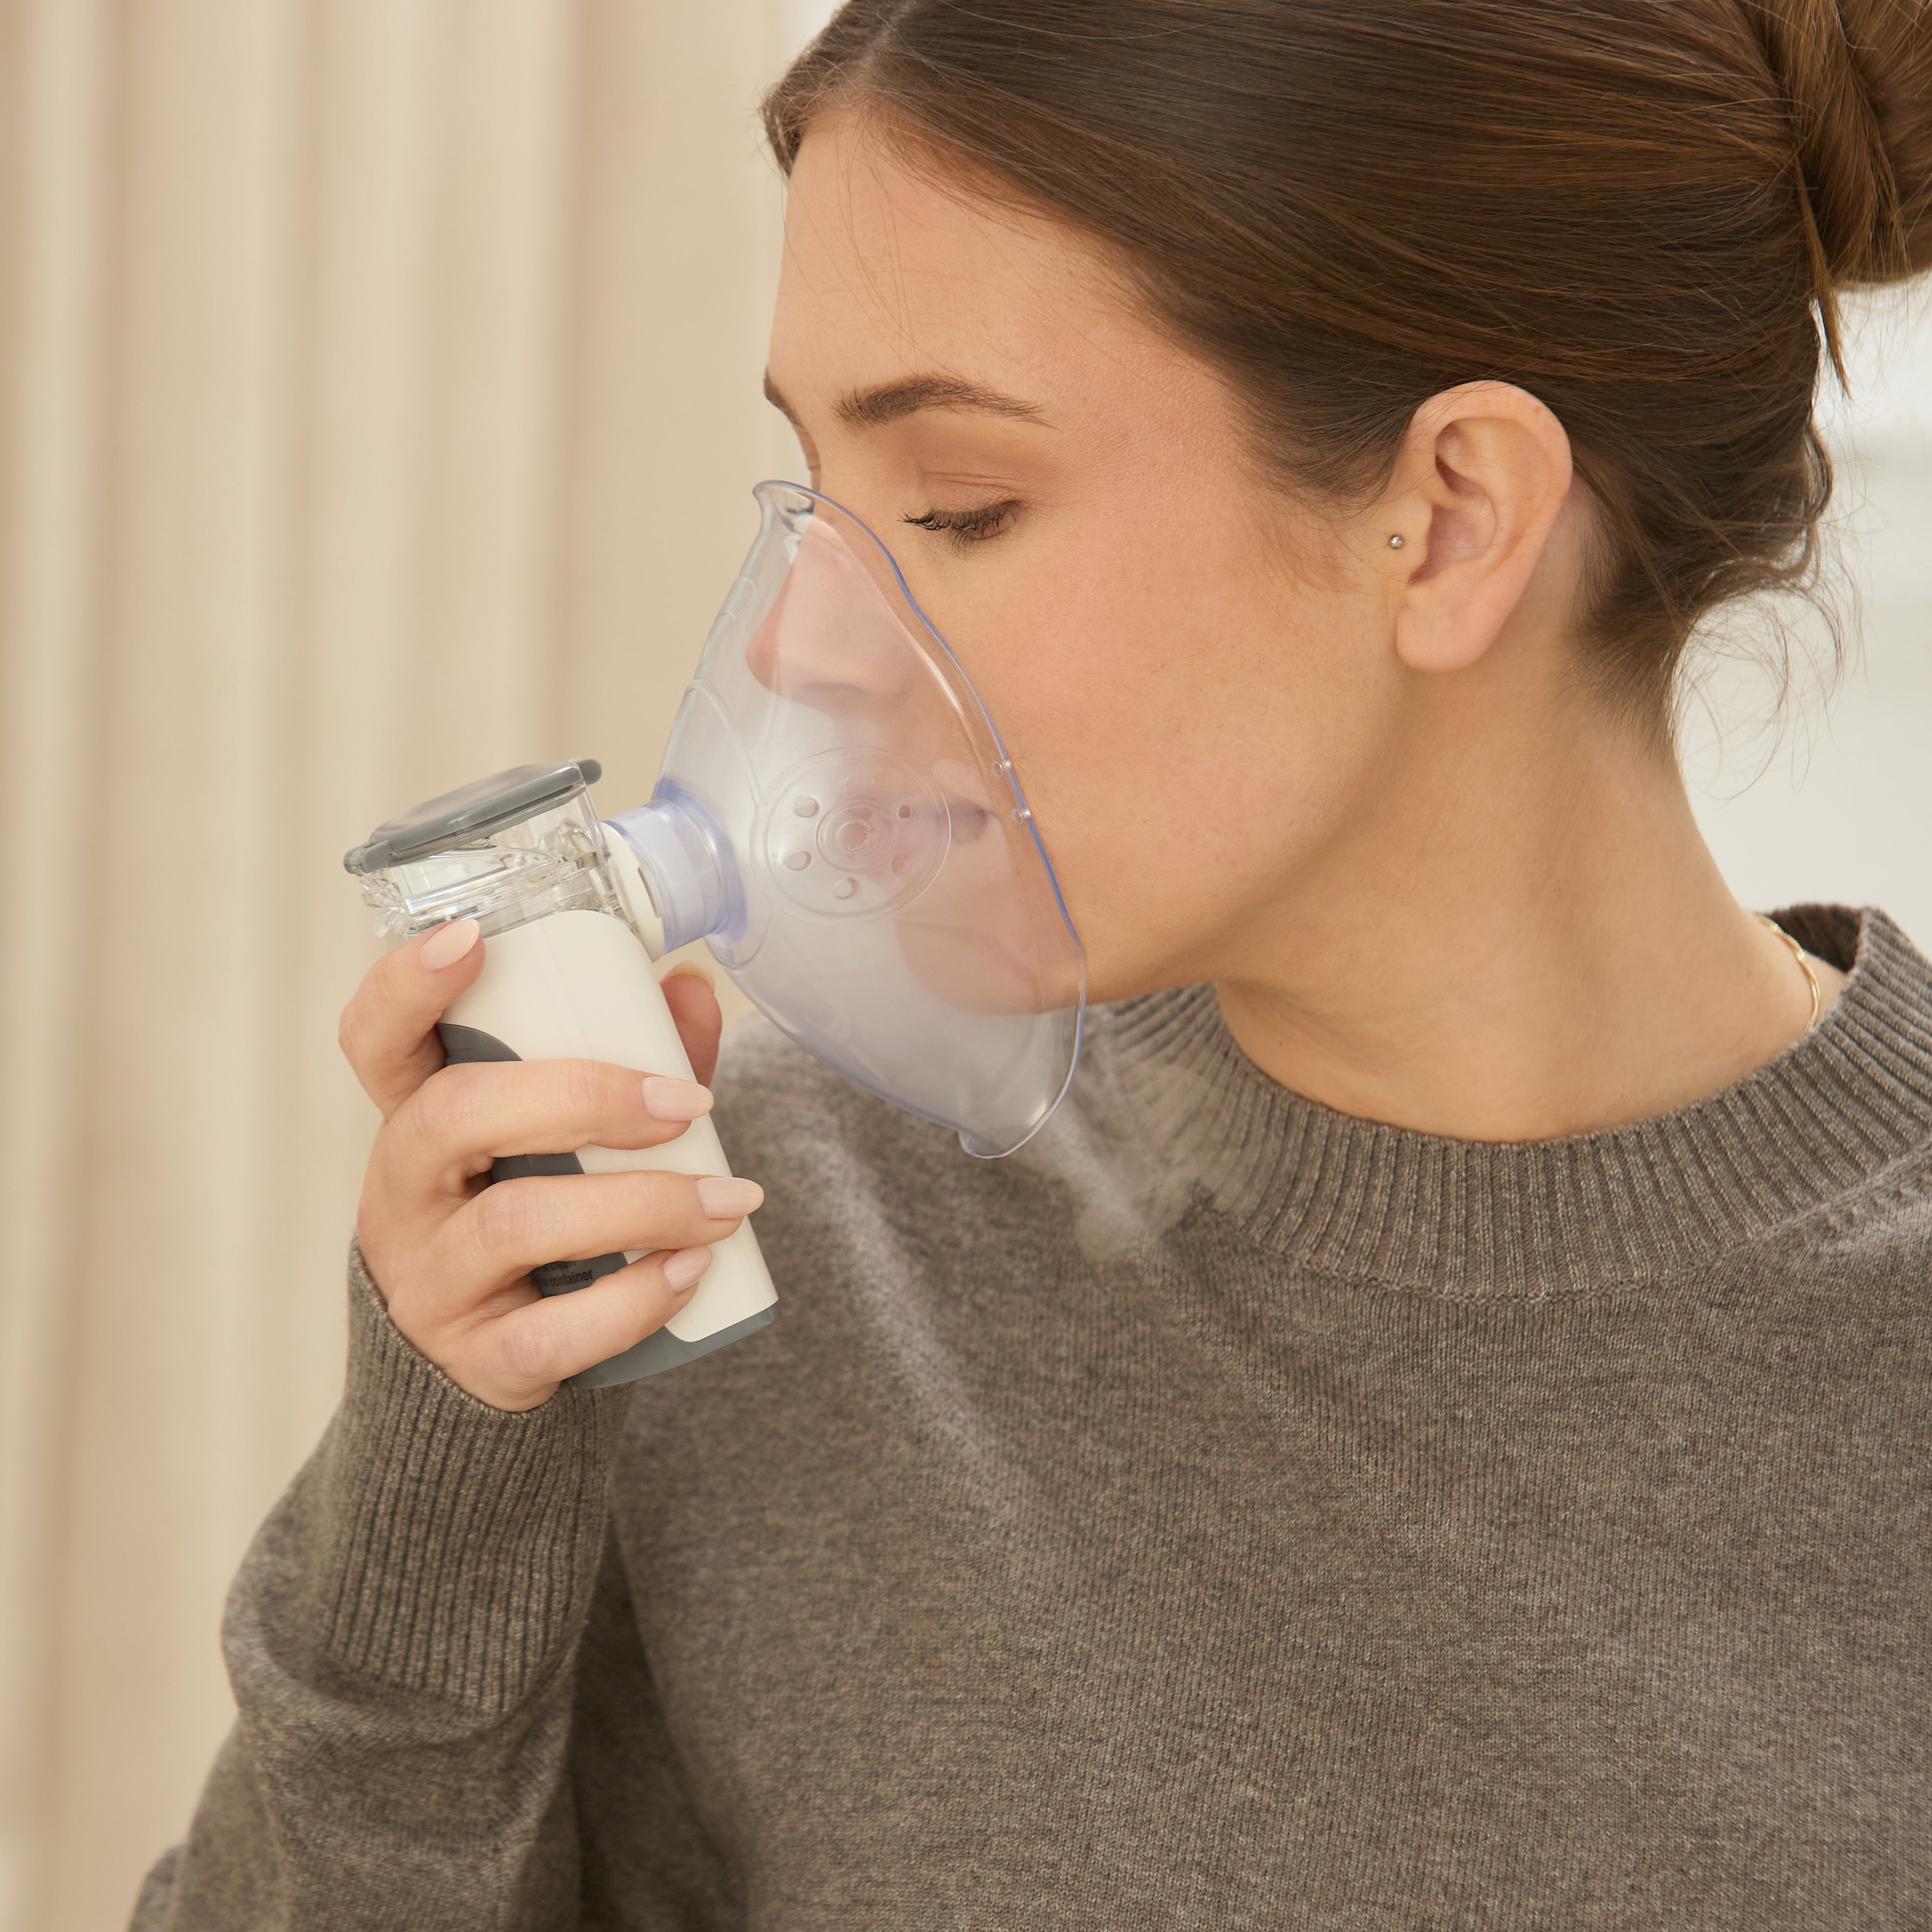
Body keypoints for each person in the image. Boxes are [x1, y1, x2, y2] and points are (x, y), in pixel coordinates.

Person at [134, 2, 1931, 1924]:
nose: (793, 654)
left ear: (1453, 517)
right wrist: (445, 1480)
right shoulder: (754, 1233)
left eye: (957, 506)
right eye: (814, 500)